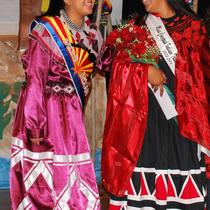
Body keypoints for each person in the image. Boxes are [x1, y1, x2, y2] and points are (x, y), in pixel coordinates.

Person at [100, 0, 210, 209]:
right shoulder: (136, 28)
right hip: (145, 127)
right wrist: (143, 72)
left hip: (183, 128)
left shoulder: (194, 28)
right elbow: (116, 69)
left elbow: (204, 78)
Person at [10, 0, 103, 209]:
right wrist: (34, 124)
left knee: (73, 172)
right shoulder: (47, 30)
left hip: (73, 114)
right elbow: (35, 79)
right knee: (47, 177)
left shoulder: (93, 33)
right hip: (46, 111)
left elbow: (104, 63)